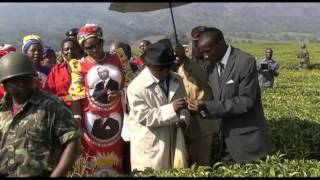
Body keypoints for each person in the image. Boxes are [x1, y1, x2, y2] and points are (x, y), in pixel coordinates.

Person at [187, 27, 272, 165]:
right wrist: (199, 109)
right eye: (203, 53)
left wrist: (207, 106)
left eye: (208, 51)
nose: (206, 56)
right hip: (226, 141)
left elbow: (246, 101)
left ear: (220, 44)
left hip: (247, 141)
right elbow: (214, 95)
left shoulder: (244, 62)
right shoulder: (211, 65)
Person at [0, 53, 81, 177]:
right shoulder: (2, 109)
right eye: (16, 79)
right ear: (4, 83)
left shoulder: (52, 106)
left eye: (27, 77)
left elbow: (73, 144)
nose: (22, 83)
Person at [69, 23, 125, 176]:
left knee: (117, 159)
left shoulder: (120, 57)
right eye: (89, 48)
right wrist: (77, 121)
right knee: (91, 164)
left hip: (117, 118)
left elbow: (133, 85)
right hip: (91, 122)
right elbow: (76, 96)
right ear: (83, 48)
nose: (95, 50)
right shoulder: (77, 65)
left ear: (102, 41)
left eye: (98, 44)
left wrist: (121, 93)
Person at [126, 40, 190, 171]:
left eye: (168, 66)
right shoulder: (136, 87)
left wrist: (184, 121)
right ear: (148, 65)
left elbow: (184, 108)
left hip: (175, 147)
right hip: (150, 150)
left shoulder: (177, 79)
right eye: (160, 68)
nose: (165, 71)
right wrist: (172, 109)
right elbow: (144, 116)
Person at [175, 43, 220, 166]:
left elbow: (203, 76)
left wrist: (184, 58)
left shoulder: (211, 67)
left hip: (203, 125)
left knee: (201, 163)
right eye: (193, 46)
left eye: (198, 46)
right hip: (186, 123)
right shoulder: (181, 68)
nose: (195, 49)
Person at [45, 37, 81, 108]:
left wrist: (66, 98)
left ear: (78, 50)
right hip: (61, 110)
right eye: (66, 49)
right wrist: (67, 99)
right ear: (62, 52)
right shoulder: (56, 70)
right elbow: (48, 92)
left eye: (73, 49)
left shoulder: (85, 68)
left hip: (83, 109)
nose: (70, 51)